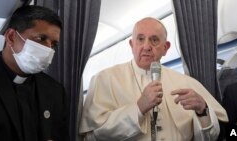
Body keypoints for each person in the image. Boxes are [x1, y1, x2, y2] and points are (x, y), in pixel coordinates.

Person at [79, 17, 228, 141]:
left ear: (165, 48)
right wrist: (138, 108)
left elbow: (211, 137)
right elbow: (93, 136)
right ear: (132, 45)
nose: (146, 46)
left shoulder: (187, 83)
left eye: (154, 40)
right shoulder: (105, 79)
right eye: (140, 39)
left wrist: (203, 110)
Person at [0, 5, 69, 141]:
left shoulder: (55, 92)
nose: (48, 50)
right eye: (41, 38)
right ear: (11, 37)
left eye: (53, 44)